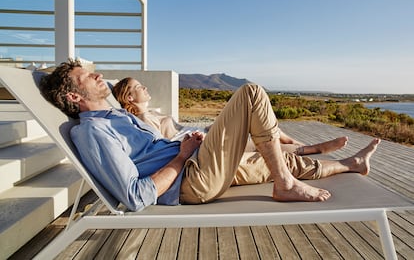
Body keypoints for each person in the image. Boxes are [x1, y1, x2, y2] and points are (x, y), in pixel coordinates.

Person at [39, 59, 381, 212]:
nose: (98, 75)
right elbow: (135, 195)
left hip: (196, 162)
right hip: (192, 179)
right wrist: (181, 155)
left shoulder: (114, 116)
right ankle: (285, 185)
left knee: (280, 159)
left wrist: (187, 147)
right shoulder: (94, 132)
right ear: (73, 96)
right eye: (87, 76)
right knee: (250, 94)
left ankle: (352, 165)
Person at [111, 77, 349, 155]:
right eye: (139, 87)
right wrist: (192, 139)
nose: (145, 88)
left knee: (256, 123)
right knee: (257, 143)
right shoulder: (141, 122)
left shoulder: (152, 113)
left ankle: (299, 145)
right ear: (130, 98)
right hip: (201, 144)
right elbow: (163, 147)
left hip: (203, 134)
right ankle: (309, 149)